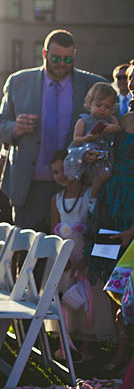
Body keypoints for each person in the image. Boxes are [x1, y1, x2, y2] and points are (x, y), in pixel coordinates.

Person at [0, 29, 107, 233]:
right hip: (30, 188)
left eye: (68, 59)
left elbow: (108, 132)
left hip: (76, 187)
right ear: (45, 54)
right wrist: (15, 128)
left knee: (71, 255)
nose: (62, 64)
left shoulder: (93, 85)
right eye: (56, 58)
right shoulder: (18, 82)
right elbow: (0, 125)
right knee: (27, 255)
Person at [84, 62, 134, 374]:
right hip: (112, 202)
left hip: (131, 212)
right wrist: (94, 153)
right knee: (114, 284)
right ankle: (121, 354)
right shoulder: (123, 118)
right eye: (132, 80)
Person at [49, 150, 115, 360]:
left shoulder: (89, 194)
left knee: (89, 298)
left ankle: (87, 345)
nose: (61, 175)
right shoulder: (57, 199)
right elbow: (54, 230)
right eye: (55, 172)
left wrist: (85, 259)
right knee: (67, 297)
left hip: (85, 255)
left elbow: (92, 223)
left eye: (65, 169)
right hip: (66, 258)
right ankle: (68, 342)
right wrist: (64, 258)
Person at [64, 82, 121, 181]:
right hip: (87, 156)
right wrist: (88, 138)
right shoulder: (83, 120)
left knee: (105, 175)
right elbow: (76, 140)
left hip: (106, 157)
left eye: (107, 107)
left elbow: (120, 130)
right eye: (99, 105)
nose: (102, 109)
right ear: (90, 103)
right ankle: (92, 194)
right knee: (89, 178)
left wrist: (113, 127)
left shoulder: (111, 120)